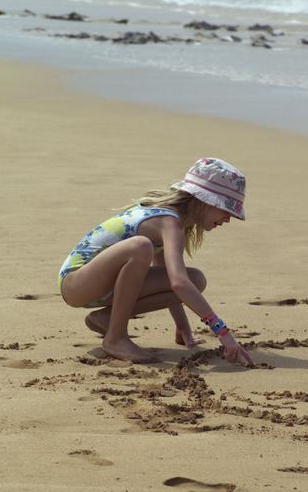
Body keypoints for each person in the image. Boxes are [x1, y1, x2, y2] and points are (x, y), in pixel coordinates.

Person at [58, 157, 254, 366]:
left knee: (195, 279)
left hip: (101, 286)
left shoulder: (174, 223)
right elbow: (178, 283)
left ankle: (108, 320)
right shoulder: (169, 223)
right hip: (77, 282)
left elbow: (167, 274)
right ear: (205, 200)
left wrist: (183, 327)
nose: (228, 219)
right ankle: (115, 338)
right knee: (140, 247)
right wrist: (222, 332)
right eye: (226, 209)